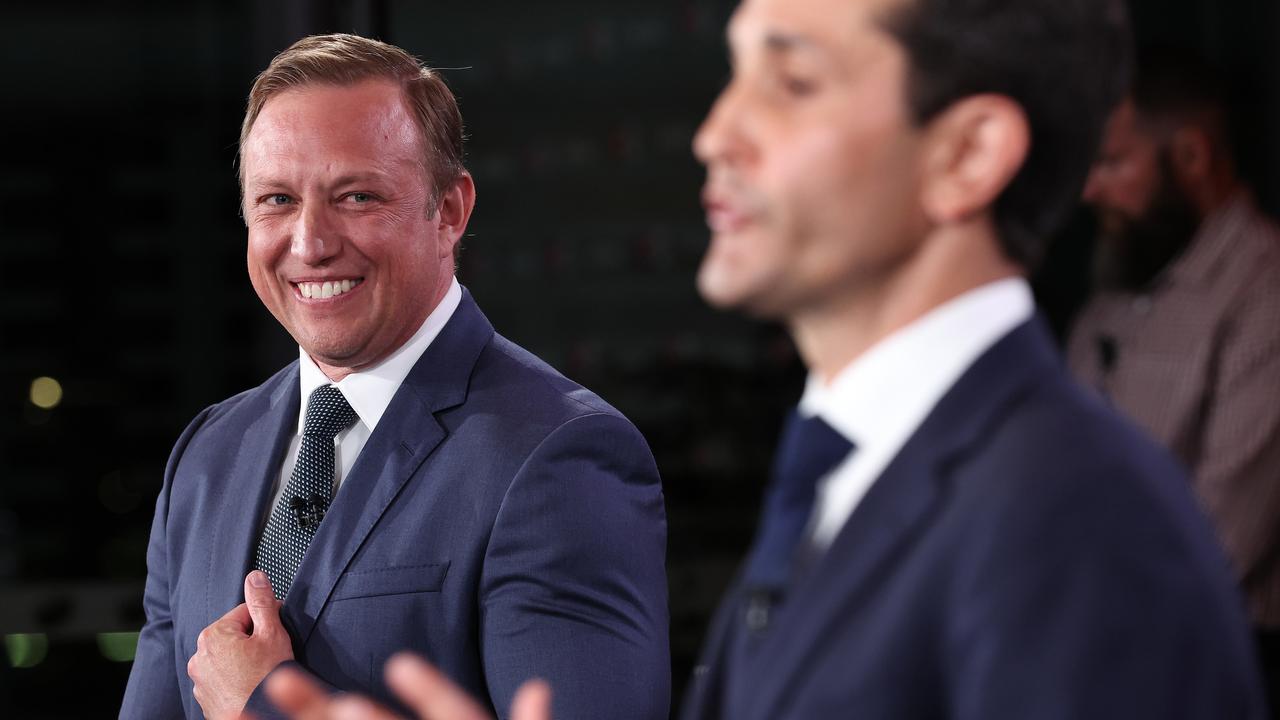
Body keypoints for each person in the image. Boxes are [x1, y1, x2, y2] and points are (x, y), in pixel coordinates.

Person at [269, 0, 1269, 716]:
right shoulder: (859, 478)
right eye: (734, 72)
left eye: (790, 81)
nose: (715, 133)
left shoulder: (1077, 528)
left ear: (965, 156)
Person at [119, 34, 670, 720]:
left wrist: (266, 708)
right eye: (277, 200)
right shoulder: (208, 454)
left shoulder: (561, 455)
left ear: (449, 211)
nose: (311, 244)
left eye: (355, 196)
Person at [1067, 52, 1280, 692]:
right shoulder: (1118, 280)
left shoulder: (1263, 295)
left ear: (1190, 156)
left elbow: (1224, 545)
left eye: (1112, 163)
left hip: (1206, 664)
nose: (1089, 190)